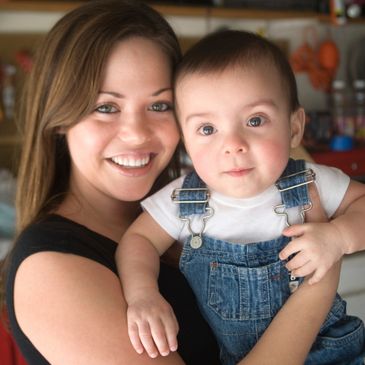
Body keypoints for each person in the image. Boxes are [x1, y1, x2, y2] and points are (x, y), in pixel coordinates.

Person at [0, 2, 346, 364]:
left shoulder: (182, 218)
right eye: (106, 107)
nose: (136, 134)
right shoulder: (52, 270)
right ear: (59, 117)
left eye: (160, 106)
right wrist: (319, 283)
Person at [117, 30, 365, 365]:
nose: (233, 144)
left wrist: (339, 236)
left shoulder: (310, 182)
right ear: (186, 142)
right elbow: (138, 241)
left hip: (337, 355)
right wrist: (142, 294)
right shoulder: (183, 200)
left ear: (294, 127)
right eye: (207, 129)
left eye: (255, 120)